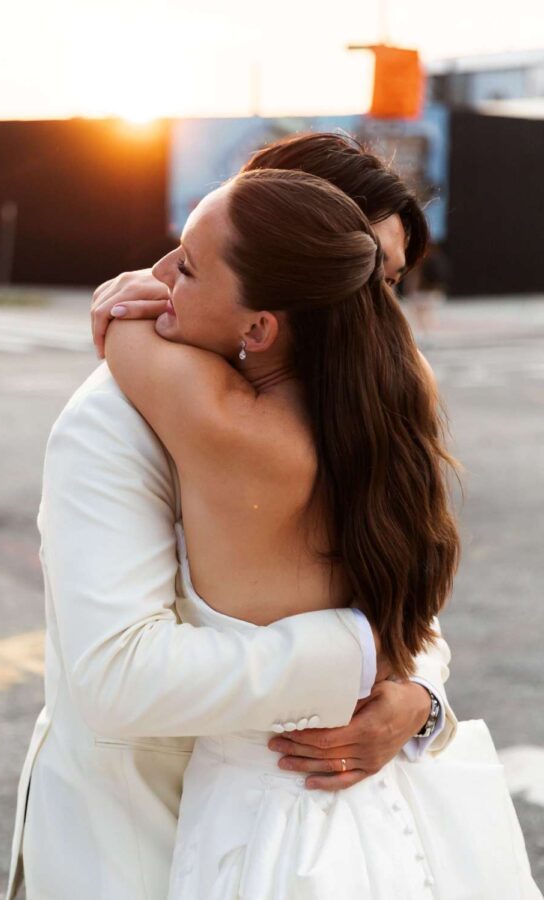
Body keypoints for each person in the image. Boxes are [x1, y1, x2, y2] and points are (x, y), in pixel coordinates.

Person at [6, 135, 458, 900]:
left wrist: (418, 702)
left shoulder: (349, 417)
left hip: (323, 827)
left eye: (382, 281)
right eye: (355, 272)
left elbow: (407, 605)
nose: (373, 311)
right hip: (134, 846)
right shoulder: (116, 419)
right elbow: (117, 673)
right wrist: (354, 657)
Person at [104, 168, 540, 899]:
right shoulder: (391, 411)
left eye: (189, 263)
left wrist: (123, 297)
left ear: (259, 326)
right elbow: (413, 617)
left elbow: (123, 321)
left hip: (269, 826)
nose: (165, 274)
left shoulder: (224, 424)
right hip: (392, 803)